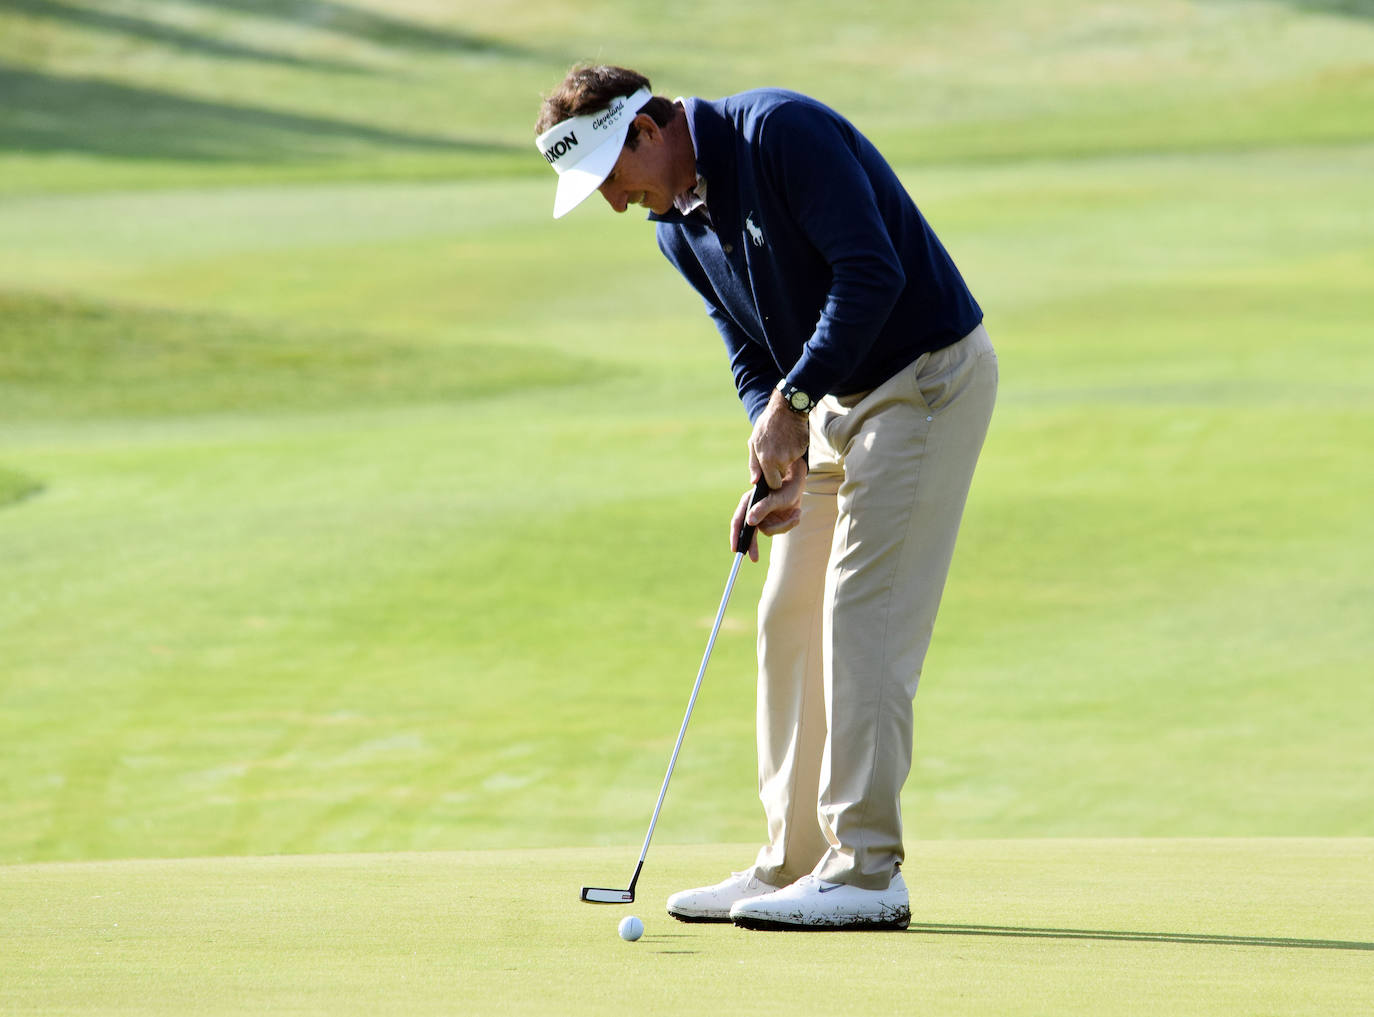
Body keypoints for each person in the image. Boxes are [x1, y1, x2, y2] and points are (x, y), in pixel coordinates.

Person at [535, 65, 997, 931]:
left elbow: (872, 273)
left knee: (862, 617)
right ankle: (789, 861)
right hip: (828, 404)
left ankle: (867, 868)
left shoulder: (779, 134)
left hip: (924, 381)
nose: (611, 203)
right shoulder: (677, 228)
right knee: (787, 614)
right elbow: (750, 352)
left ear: (645, 132)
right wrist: (770, 440)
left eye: (607, 178)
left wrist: (791, 404)